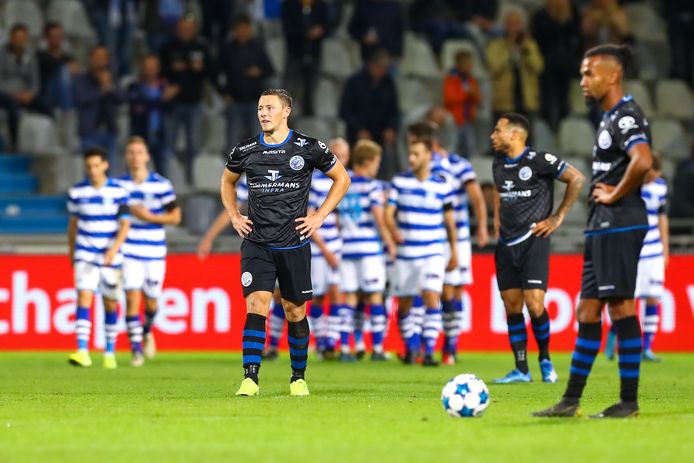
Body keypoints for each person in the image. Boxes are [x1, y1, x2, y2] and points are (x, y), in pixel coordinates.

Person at [534, 44, 653, 419]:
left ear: (613, 75)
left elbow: (643, 160)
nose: (583, 80)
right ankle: (570, 401)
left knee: (620, 306)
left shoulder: (626, 116)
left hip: (620, 220)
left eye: (590, 73)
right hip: (602, 224)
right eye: (582, 73)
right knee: (587, 310)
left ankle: (628, 402)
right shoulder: (610, 117)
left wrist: (615, 194)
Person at [221, 88, 350, 396]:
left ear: (286, 111)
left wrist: (319, 216)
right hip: (257, 242)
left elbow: (342, 179)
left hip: (293, 243)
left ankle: (298, 378)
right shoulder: (246, 149)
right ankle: (250, 378)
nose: (263, 113)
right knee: (257, 305)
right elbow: (227, 181)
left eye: (269, 108)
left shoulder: (308, 147)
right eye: (260, 108)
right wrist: (234, 215)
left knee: (294, 311)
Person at [489, 113, 585, 383]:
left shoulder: (539, 160)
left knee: (534, 304)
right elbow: (499, 191)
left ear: (514, 134)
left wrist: (558, 217)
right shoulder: (498, 163)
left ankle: (545, 359)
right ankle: (521, 369)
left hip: (533, 240)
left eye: (497, 130)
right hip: (506, 244)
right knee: (512, 306)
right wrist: (497, 219)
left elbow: (577, 179)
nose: (492, 136)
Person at [407, 121, 489, 365]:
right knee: (426, 290)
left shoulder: (458, 165)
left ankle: (450, 348)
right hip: (427, 236)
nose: (410, 149)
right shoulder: (418, 165)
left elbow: (476, 196)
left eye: (413, 141)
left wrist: (482, 226)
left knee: (452, 290)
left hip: (457, 236)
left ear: (425, 141)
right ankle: (422, 347)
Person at [385, 137, 458, 366]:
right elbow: (388, 214)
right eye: (410, 154)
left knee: (431, 294)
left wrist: (454, 251)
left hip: (433, 250)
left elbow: (449, 221)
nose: (411, 158)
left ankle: (428, 351)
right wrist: (393, 230)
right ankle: (411, 346)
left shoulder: (442, 184)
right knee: (404, 304)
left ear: (428, 156)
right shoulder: (399, 182)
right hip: (406, 252)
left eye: (416, 154)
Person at [117, 137, 182, 366]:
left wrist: (149, 217)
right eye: (131, 152)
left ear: (147, 156)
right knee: (131, 297)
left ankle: (146, 330)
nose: (135, 156)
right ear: (126, 156)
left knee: (152, 302)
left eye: (139, 152)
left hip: (154, 252)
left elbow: (175, 217)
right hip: (129, 250)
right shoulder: (119, 186)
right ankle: (136, 351)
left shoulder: (161, 185)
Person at [66, 147, 131, 369]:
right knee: (84, 297)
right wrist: (72, 251)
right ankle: (82, 351)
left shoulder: (118, 191)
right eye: (89, 166)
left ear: (105, 165)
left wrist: (114, 249)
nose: (93, 170)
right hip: (85, 253)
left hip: (110, 256)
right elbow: (73, 226)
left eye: (96, 165)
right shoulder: (77, 192)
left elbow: (125, 224)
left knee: (110, 303)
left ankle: (109, 352)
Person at [605, 154, 669, 362]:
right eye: (651, 174)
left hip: (654, 251)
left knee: (653, 297)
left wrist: (665, 249)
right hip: (632, 249)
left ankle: (647, 348)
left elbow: (662, 217)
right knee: (627, 299)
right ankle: (613, 338)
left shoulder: (661, 187)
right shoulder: (629, 185)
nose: (653, 178)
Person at [336, 140, 395, 361]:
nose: (377, 167)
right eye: (377, 162)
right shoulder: (373, 186)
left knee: (350, 297)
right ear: (369, 161)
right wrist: (389, 242)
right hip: (369, 248)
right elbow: (380, 219)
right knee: (375, 296)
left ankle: (345, 348)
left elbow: (338, 220)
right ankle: (377, 348)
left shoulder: (344, 183)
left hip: (347, 247)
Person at [159, 14, 211, 182]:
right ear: (177, 28)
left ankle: (191, 178)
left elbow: (212, 71)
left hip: (194, 102)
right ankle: (168, 178)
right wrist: (171, 70)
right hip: (173, 104)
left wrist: (202, 68)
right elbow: (159, 71)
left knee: (194, 145)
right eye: (182, 28)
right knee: (169, 144)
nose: (185, 31)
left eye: (189, 29)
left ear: (194, 29)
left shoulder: (201, 47)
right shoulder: (168, 47)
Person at [218, 14, 274, 150]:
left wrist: (259, 71)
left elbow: (270, 70)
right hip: (234, 101)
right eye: (239, 29)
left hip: (255, 101)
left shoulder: (258, 48)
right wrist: (223, 93)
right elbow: (216, 73)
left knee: (257, 140)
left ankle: (256, 164)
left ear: (250, 29)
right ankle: (233, 163)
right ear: (235, 30)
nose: (242, 32)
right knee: (232, 140)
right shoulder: (227, 49)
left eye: (245, 29)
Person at [486, 8, 544, 122]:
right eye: (511, 25)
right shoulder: (495, 46)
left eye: (517, 25)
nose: (514, 29)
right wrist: (510, 52)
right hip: (504, 103)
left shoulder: (530, 45)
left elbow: (538, 67)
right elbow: (493, 69)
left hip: (527, 101)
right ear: (505, 26)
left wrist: (526, 51)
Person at [127, 54, 180, 177]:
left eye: (153, 66)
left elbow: (171, 108)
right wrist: (162, 99)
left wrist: (163, 100)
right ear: (142, 67)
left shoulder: (165, 85)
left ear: (158, 68)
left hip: (161, 135)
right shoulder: (135, 87)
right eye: (147, 66)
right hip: (141, 136)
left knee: (163, 174)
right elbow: (138, 108)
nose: (150, 69)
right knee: (136, 174)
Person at [0, 23, 50, 151]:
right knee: (13, 107)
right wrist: (15, 94)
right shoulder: (1, 54)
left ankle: (48, 141)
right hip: (5, 93)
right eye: (17, 37)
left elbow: (35, 80)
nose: (19, 40)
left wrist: (31, 93)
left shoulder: (30, 55)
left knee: (45, 106)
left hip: (25, 94)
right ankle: (14, 143)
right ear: (11, 38)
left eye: (22, 38)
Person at [73, 46, 123, 167]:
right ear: (90, 59)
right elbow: (81, 99)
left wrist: (109, 87)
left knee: (111, 171)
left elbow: (121, 99)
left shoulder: (112, 79)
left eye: (103, 57)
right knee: (92, 171)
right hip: (89, 131)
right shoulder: (81, 79)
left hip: (110, 130)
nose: (100, 61)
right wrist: (102, 89)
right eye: (97, 57)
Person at [281, 0, 330, 116]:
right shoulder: (289, 5)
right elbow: (287, 28)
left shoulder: (320, 5)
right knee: (290, 87)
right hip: (295, 53)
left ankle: (309, 114)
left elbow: (328, 25)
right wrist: (306, 33)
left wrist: (321, 31)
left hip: (314, 52)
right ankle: (286, 115)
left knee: (312, 87)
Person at [443, 49, 481, 158]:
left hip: (468, 119)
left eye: (470, 64)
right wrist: (466, 93)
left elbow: (478, 99)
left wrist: (473, 94)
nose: (469, 67)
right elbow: (449, 99)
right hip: (455, 120)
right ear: (459, 64)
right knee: (454, 146)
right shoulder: (451, 79)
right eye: (466, 64)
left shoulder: (471, 80)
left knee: (469, 147)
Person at [37, 22, 78, 113]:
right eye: (54, 36)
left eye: (59, 36)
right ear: (46, 37)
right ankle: (67, 111)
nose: (57, 39)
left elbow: (75, 70)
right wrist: (66, 66)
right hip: (47, 93)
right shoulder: (41, 55)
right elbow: (52, 64)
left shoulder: (67, 56)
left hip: (66, 91)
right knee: (64, 71)